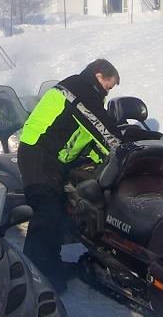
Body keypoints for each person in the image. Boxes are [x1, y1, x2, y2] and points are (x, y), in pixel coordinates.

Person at [18, 58, 122, 292]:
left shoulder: (86, 94)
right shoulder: (77, 90)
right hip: (37, 152)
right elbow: (101, 128)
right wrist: (125, 148)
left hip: (53, 159)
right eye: (108, 86)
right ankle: (37, 274)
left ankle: (49, 264)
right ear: (98, 77)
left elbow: (90, 137)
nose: (108, 93)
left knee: (57, 211)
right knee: (47, 212)